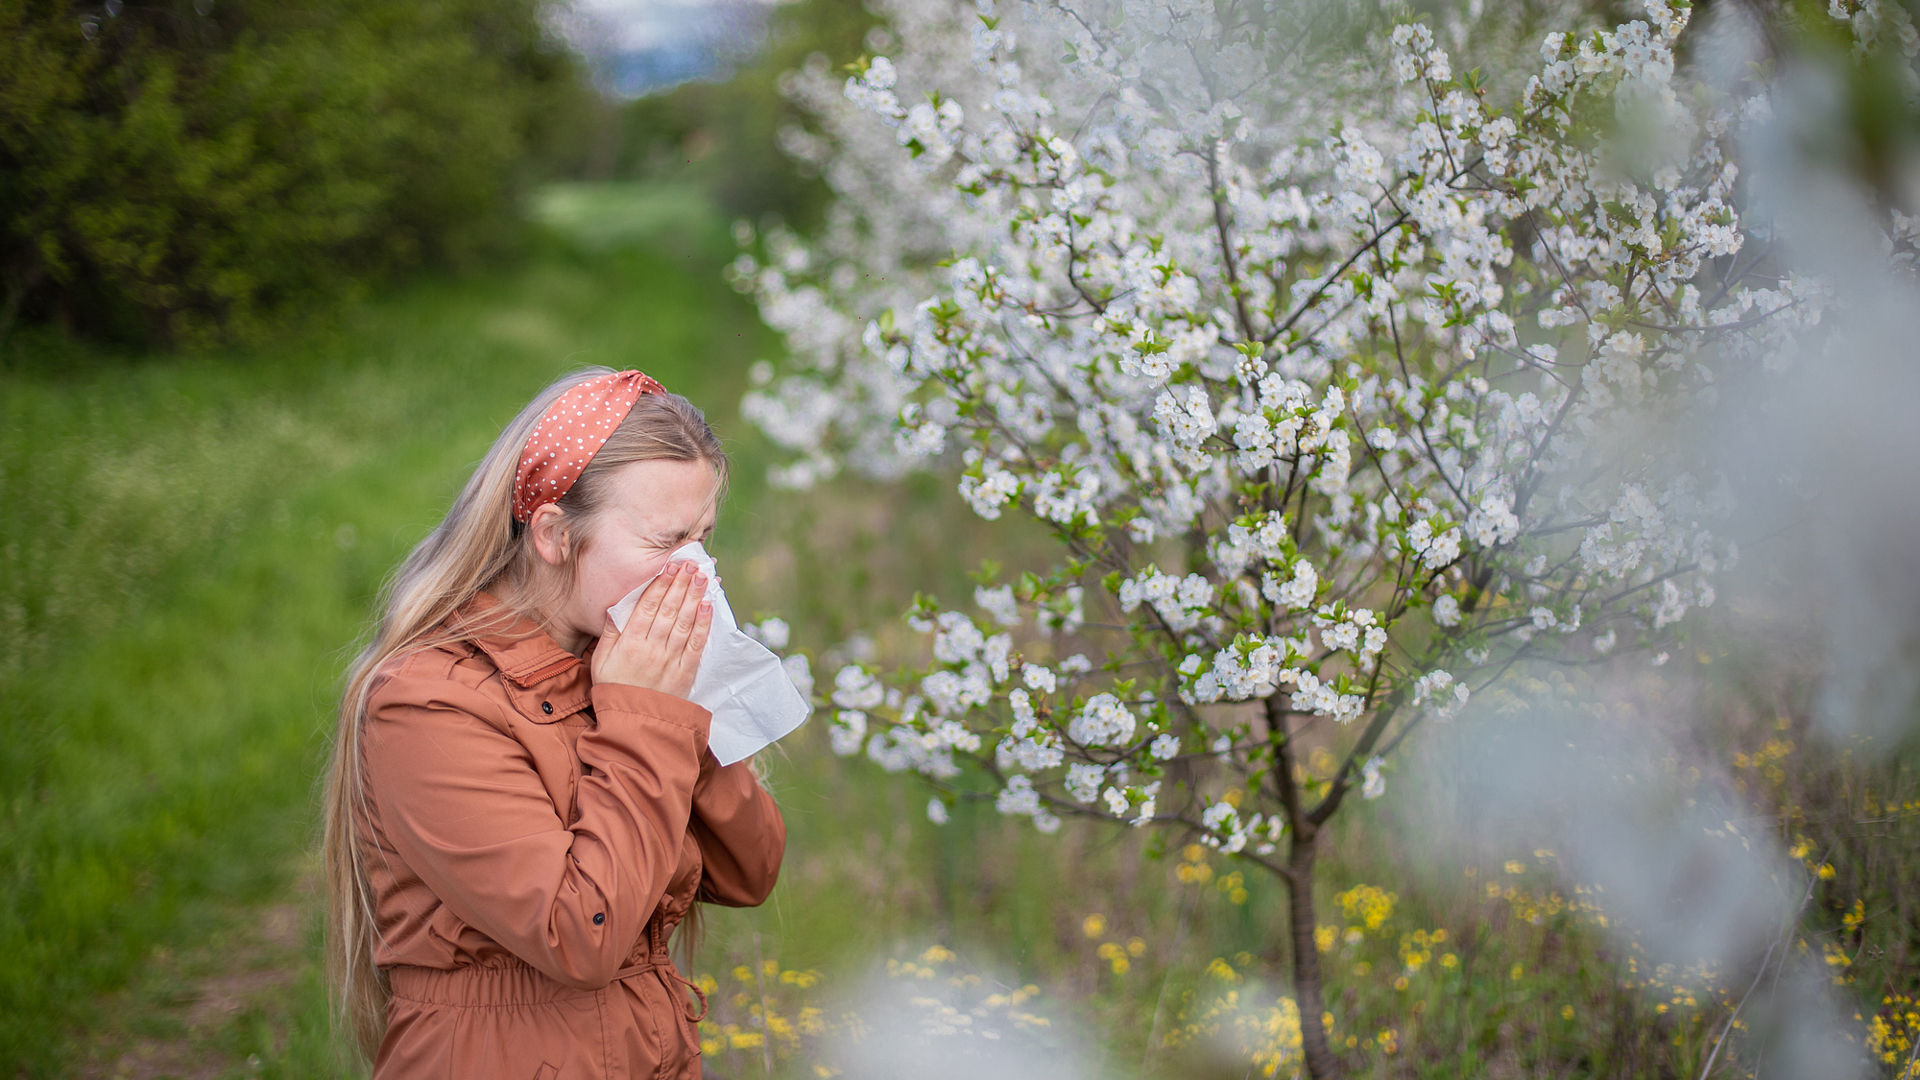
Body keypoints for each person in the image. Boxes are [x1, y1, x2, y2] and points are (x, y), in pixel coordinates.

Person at [321, 368, 785, 1078]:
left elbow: (749, 870)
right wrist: (648, 719)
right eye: (667, 542)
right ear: (554, 535)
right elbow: (581, 936)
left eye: (704, 538)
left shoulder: (618, 665)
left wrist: (688, 705)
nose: (697, 573)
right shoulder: (427, 702)